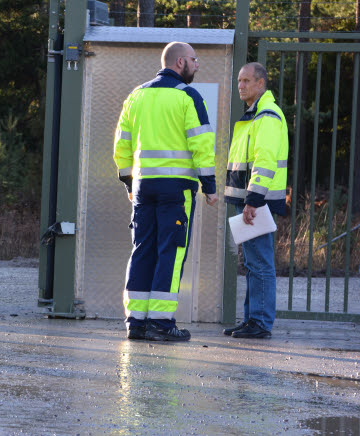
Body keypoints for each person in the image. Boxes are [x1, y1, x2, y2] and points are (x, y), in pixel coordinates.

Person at [113, 42, 220, 342]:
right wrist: (209, 187)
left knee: (142, 249)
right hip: (176, 189)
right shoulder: (188, 97)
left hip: (143, 187)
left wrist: (127, 181)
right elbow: (201, 144)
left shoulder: (136, 96)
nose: (197, 66)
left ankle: (136, 322)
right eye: (195, 60)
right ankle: (161, 322)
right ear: (181, 62)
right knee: (171, 252)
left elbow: (122, 144)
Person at [222, 62, 289, 339]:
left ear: (261, 84)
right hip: (249, 200)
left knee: (260, 262)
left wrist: (253, 200)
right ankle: (252, 319)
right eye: (239, 80)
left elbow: (264, 161)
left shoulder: (267, 115)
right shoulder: (255, 114)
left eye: (247, 81)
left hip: (256, 202)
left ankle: (260, 322)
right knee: (251, 262)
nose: (241, 85)